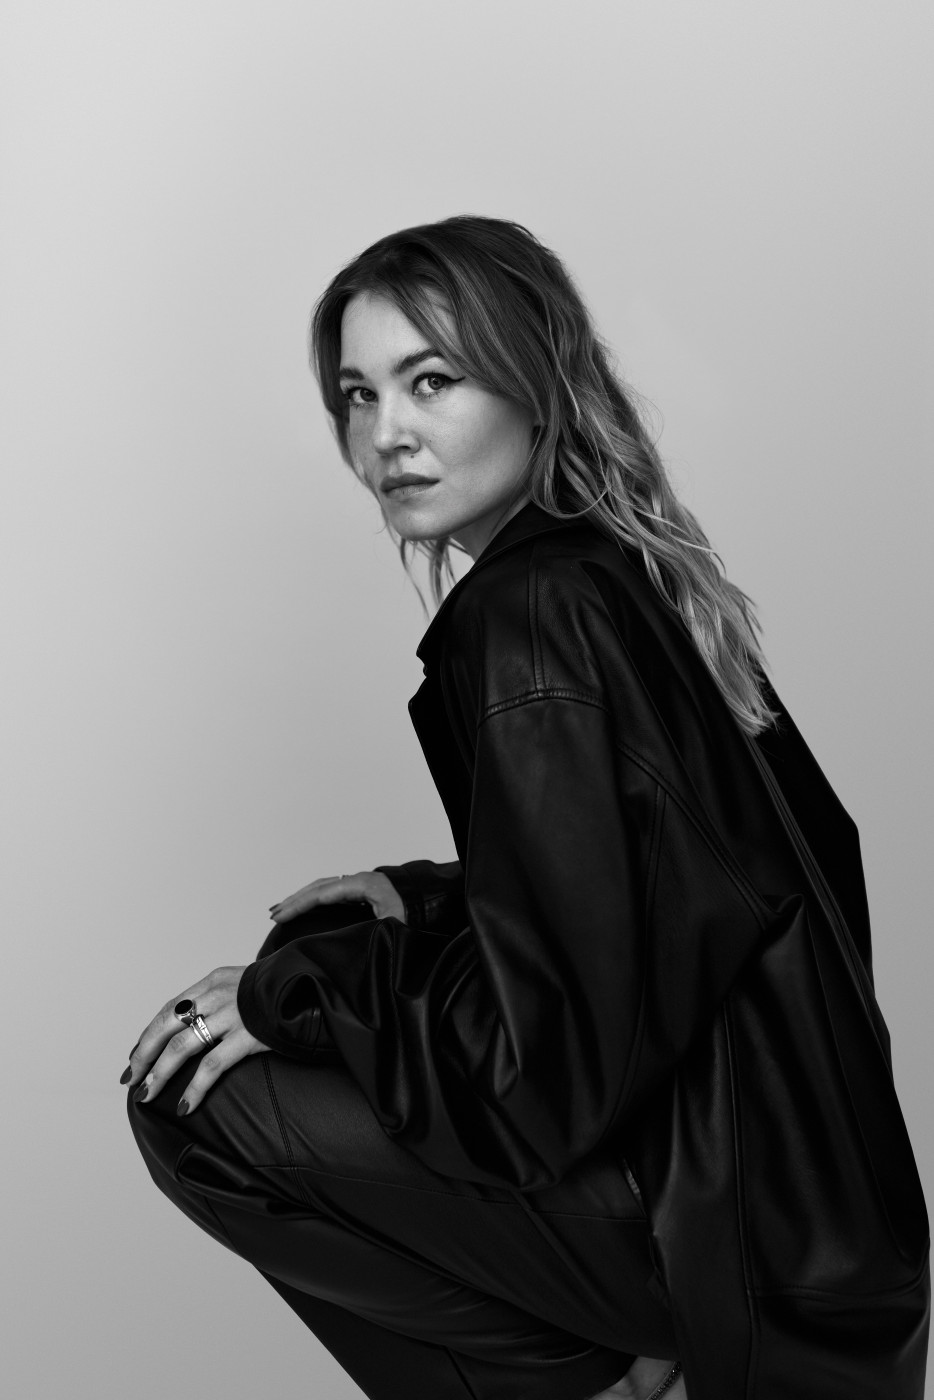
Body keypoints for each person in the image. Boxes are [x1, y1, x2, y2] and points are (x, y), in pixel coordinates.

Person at [124, 215, 930, 1399]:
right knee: (335, 950)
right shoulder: (614, 569)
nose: (385, 434)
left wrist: (294, 994)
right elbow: (689, 889)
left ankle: (612, 1380)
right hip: (823, 1226)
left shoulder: (531, 616)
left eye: (431, 380)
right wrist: (415, 902)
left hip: (723, 1245)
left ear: (533, 381)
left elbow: (536, 1077)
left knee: (193, 1101)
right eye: (357, 395)